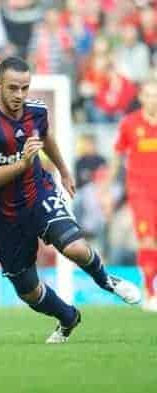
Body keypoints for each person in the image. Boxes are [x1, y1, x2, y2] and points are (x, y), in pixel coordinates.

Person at [0, 56, 141, 344]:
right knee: (28, 290)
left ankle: (106, 280)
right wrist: (23, 164)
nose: (19, 95)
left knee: (75, 247)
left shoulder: (36, 111)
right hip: (6, 214)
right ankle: (68, 317)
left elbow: (45, 137)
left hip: (39, 194)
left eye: (25, 88)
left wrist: (63, 170)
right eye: (13, 88)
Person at [113, 79, 157, 312]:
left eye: (156, 95)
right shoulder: (130, 124)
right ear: (141, 98)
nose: (153, 99)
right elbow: (118, 155)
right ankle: (150, 292)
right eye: (149, 95)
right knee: (147, 239)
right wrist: (108, 189)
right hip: (141, 192)